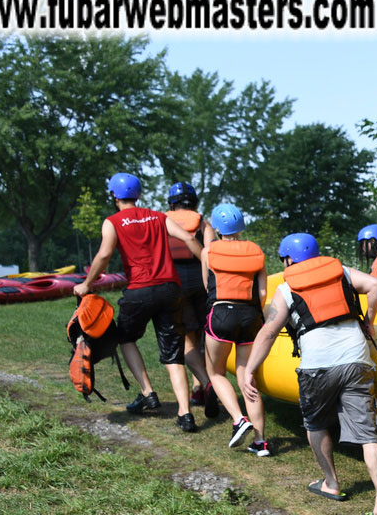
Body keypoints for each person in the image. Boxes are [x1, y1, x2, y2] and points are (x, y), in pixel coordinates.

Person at [241, 233, 377, 515]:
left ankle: (331, 483)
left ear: (288, 260)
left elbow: (269, 331)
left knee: (316, 423)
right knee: (369, 434)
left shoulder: (286, 289)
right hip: (356, 360)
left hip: (317, 367)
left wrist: (250, 369)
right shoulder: (343, 273)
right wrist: (369, 321)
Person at [74, 172, 205, 432]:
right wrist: (209, 269)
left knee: (125, 337)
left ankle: (147, 392)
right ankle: (185, 414)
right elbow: (190, 238)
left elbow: (103, 255)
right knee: (172, 353)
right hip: (170, 289)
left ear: (114, 196)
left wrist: (87, 284)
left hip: (139, 290)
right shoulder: (159, 216)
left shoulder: (112, 222)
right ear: (139, 195)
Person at [200, 203, 269, 455]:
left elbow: (207, 286)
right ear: (241, 227)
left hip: (220, 314)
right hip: (251, 317)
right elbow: (262, 292)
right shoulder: (256, 252)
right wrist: (253, 316)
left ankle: (239, 419)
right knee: (247, 378)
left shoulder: (209, 252)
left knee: (216, 373)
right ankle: (261, 442)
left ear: (217, 228)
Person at [165, 181, 215, 409]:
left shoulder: (162, 222)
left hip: (176, 282)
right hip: (202, 281)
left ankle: (204, 386)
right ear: (193, 202)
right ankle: (199, 388)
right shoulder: (203, 223)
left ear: (171, 203)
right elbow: (212, 253)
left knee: (187, 339)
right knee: (203, 336)